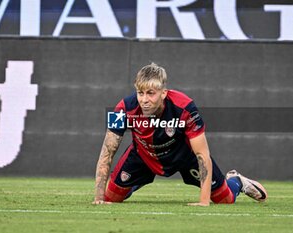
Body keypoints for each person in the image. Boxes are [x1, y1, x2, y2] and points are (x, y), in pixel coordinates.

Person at [93, 63, 267, 206]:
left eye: (151, 93)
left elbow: (202, 154)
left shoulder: (186, 108)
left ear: (164, 93)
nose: (144, 100)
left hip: (184, 156)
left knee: (225, 200)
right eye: (140, 93)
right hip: (143, 156)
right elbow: (107, 152)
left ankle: (236, 181)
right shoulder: (122, 108)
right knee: (112, 199)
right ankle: (134, 182)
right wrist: (98, 198)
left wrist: (204, 201)